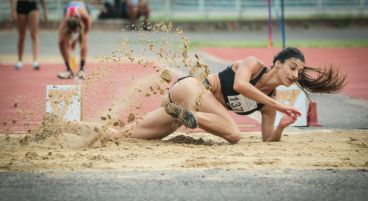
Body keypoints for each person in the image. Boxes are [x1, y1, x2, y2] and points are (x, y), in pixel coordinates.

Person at [107, 47, 346, 143]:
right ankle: (189, 115)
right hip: (192, 88)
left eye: (300, 72)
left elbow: (267, 141)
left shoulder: (268, 105)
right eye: (292, 67)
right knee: (233, 133)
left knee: (129, 137)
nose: (295, 75)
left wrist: (281, 126)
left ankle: (79, 129)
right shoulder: (252, 64)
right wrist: (279, 105)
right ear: (277, 64)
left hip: (181, 106)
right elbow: (241, 86)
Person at [57, 1, 91, 79]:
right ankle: (69, 70)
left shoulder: (85, 17)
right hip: (69, 9)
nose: (74, 34)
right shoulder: (66, 20)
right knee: (61, 42)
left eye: (75, 31)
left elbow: (86, 30)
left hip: (82, 10)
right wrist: (69, 44)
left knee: (84, 40)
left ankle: (82, 70)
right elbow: (60, 41)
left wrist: (77, 40)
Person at [10, 0, 48, 70]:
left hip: (32, 5)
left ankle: (35, 61)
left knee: (34, 34)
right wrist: (13, 10)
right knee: (21, 35)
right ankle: (19, 61)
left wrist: (45, 11)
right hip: (21, 5)